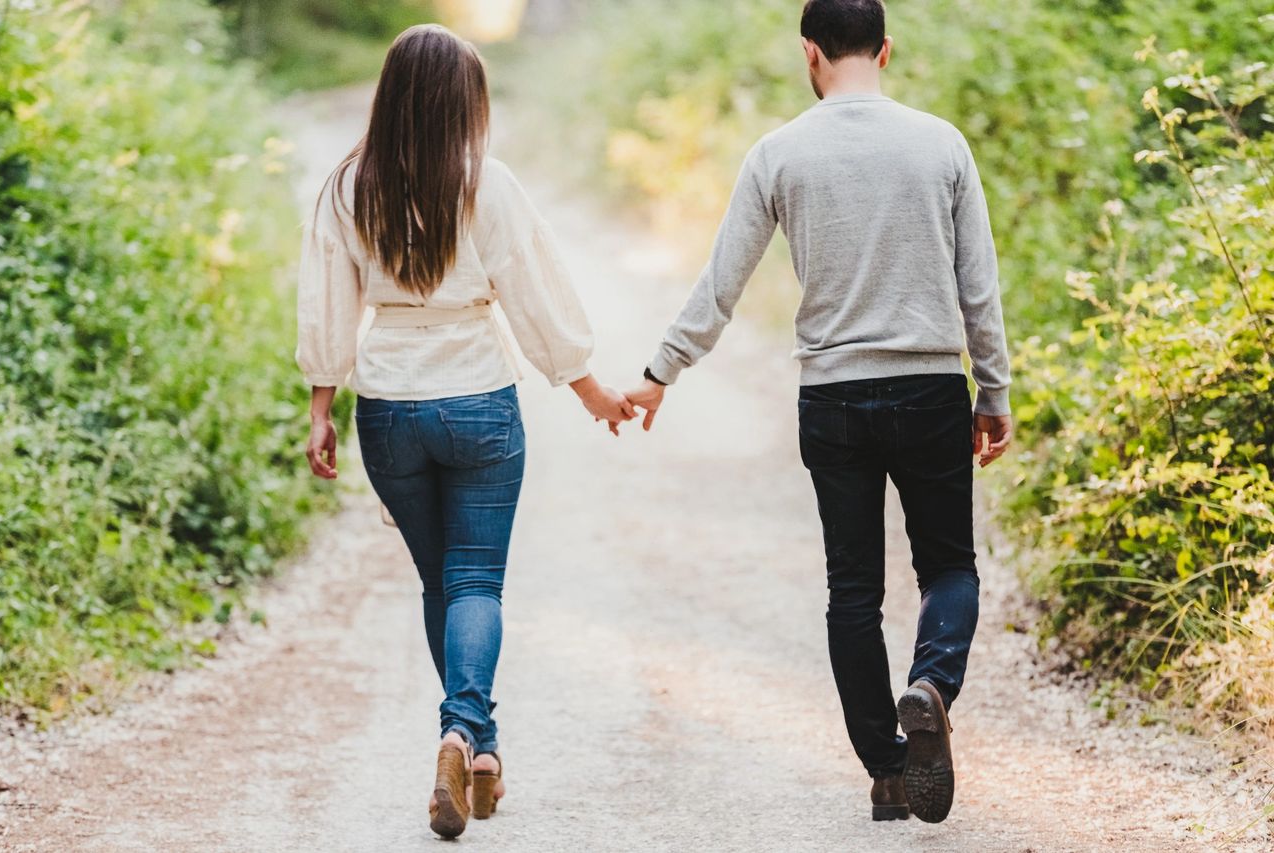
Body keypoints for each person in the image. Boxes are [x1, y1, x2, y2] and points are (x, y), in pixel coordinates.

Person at [625, 0, 1013, 825]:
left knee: (852, 591)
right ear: (886, 48)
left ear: (810, 53)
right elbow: (978, 283)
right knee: (947, 567)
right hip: (929, 388)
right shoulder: (941, 143)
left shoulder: (779, 152)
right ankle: (932, 684)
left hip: (832, 397)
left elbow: (721, 282)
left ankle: (888, 766)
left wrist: (662, 370)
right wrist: (995, 391)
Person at [296, 24, 634, 839]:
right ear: (464, 103)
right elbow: (535, 294)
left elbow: (328, 307)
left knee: (441, 585)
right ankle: (464, 734)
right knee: (477, 579)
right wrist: (588, 388)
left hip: (389, 405)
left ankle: (476, 743)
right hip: (479, 396)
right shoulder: (487, 184)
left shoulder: (348, 187)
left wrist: (320, 408)